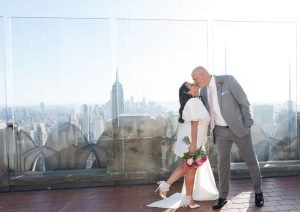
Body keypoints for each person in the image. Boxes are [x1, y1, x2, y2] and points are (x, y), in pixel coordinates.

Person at [191, 66, 264, 210]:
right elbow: (205, 112)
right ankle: (223, 196)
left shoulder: (228, 80)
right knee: (222, 165)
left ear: (203, 74)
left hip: (239, 129)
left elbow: (244, 101)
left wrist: (247, 124)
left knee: (251, 160)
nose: (194, 82)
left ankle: (258, 192)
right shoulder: (204, 91)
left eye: (195, 78)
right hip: (220, 132)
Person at [147, 81, 219, 209]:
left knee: (188, 169)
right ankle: (186, 199)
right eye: (190, 84)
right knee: (190, 170)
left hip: (194, 140)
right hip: (190, 141)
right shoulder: (192, 102)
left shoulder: (196, 100)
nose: (194, 83)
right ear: (188, 91)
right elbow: (194, 124)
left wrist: (203, 139)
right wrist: (193, 144)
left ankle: (166, 187)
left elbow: (201, 123)